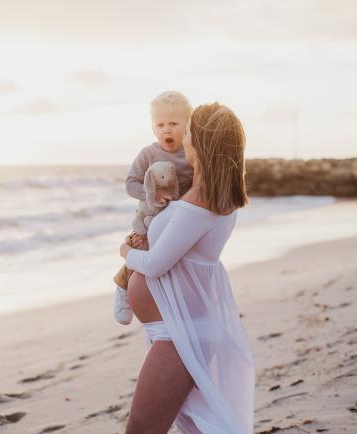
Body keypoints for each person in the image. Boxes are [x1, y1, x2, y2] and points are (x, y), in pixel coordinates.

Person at [119, 102, 255, 433]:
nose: (184, 139)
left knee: (142, 429)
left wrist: (125, 252)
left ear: (200, 144)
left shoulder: (198, 206)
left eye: (190, 133)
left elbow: (154, 265)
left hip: (179, 336)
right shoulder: (212, 199)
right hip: (183, 328)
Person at [113, 90, 194, 325]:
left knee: (167, 259)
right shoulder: (149, 153)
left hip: (176, 218)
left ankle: (166, 301)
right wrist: (150, 198)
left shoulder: (191, 155)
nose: (166, 129)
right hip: (149, 216)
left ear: (187, 126)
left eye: (173, 123)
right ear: (152, 128)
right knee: (140, 247)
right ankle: (122, 286)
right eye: (159, 125)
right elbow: (130, 183)